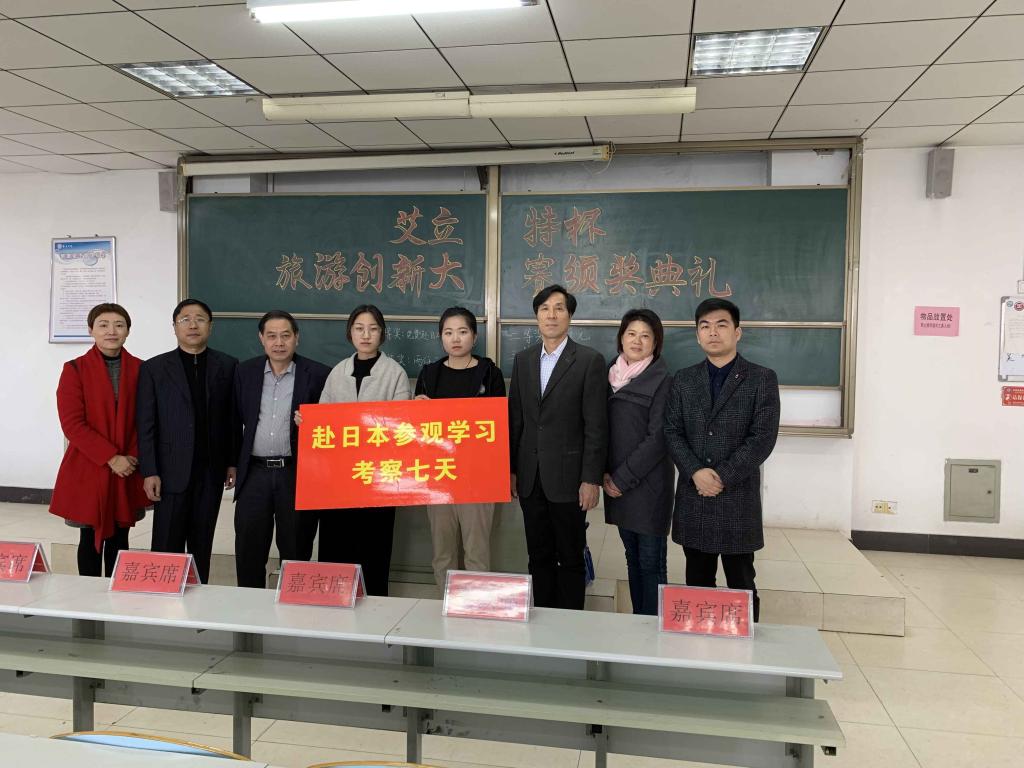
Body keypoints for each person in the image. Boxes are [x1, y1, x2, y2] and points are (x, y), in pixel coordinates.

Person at [664, 298, 781, 622]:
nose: (712, 332)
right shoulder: (683, 379)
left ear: (737, 332)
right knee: (696, 581)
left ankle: (746, 646)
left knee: (741, 584)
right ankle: (700, 645)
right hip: (695, 496)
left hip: (737, 498)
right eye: (705, 326)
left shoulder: (761, 379)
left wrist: (721, 476)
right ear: (697, 335)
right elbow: (671, 431)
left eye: (721, 325)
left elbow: (762, 438)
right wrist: (695, 471)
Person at [508, 284, 607, 610]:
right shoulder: (523, 360)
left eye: (559, 308)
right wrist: (511, 470)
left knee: (570, 556)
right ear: (536, 316)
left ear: (570, 316)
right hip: (530, 476)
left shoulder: (589, 361)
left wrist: (591, 479)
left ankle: (570, 625)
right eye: (544, 309)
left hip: (569, 479)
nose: (551, 315)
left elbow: (596, 426)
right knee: (538, 555)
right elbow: (517, 420)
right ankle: (543, 619)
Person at [136, 298, 239, 584]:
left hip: (211, 469)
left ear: (210, 326)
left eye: (200, 319)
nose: (193, 325)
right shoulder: (154, 368)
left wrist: (232, 461)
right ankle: (162, 594)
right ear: (174, 327)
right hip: (170, 470)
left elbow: (233, 418)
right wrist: (150, 470)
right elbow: (146, 424)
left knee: (201, 543)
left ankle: (198, 596)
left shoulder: (228, 365)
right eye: (185, 319)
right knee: (166, 541)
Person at [313, 304, 411, 595]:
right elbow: (323, 421)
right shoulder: (337, 372)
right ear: (350, 333)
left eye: (372, 328)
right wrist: (307, 421)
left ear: (382, 333)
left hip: (378, 478)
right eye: (359, 328)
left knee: (374, 547)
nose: (366, 335)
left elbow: (402, 426)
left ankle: (375, 608)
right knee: (337, 544)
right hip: (338, 479)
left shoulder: (395, 373)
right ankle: (334, 605)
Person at [233, 310, 330, 589]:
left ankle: (294, 604)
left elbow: (329, 425)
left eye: (285, 335)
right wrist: (232, 464)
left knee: (296, 548)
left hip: (296, 473)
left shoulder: (318, 374)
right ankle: (250, 607)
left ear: (296, 338)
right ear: (261, 339)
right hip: (254, 473)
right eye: (272, 336)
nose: (279, 343)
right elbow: (232, 420)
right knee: (249, 549)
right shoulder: (244, 372)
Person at [50, 303, 149, 576]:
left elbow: (148, 420)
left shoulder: (143, 369)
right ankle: (88, 595)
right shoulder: (75, 369)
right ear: (90, 330)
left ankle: (117, 593)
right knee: (88, 536)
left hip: (129, 465)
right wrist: (111, 457)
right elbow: (72, 424)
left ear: (128, 331)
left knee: (121, 534)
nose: (111, 331)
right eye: (103, 325)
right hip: (89, 465)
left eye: (119, 325)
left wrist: (131, 457)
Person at [414, 306, 506, 592]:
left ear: (474, 337)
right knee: (442, 552)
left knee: (476, 551)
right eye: (448, 332)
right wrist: (416, 410)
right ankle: (447, 605)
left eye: (463, 332)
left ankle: (476, 607)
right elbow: (416, 432)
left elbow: (499, 426)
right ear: (441, 337)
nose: (455, 338)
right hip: (439, 476)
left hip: (478, 477)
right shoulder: (429, 374)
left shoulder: (489, 374)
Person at [603, 309, 673, 616]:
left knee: (651, 562)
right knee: (632, 558)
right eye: (631, 333)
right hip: (617, 485)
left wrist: (621, 478)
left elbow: (658, 438)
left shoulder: (663, 380)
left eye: (646, 336)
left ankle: (653, 627)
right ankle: (638, 624)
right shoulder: (609, 375)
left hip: (648, 486)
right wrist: (604, 474)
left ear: (655, 343)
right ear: (621, 337)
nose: (637, 341)